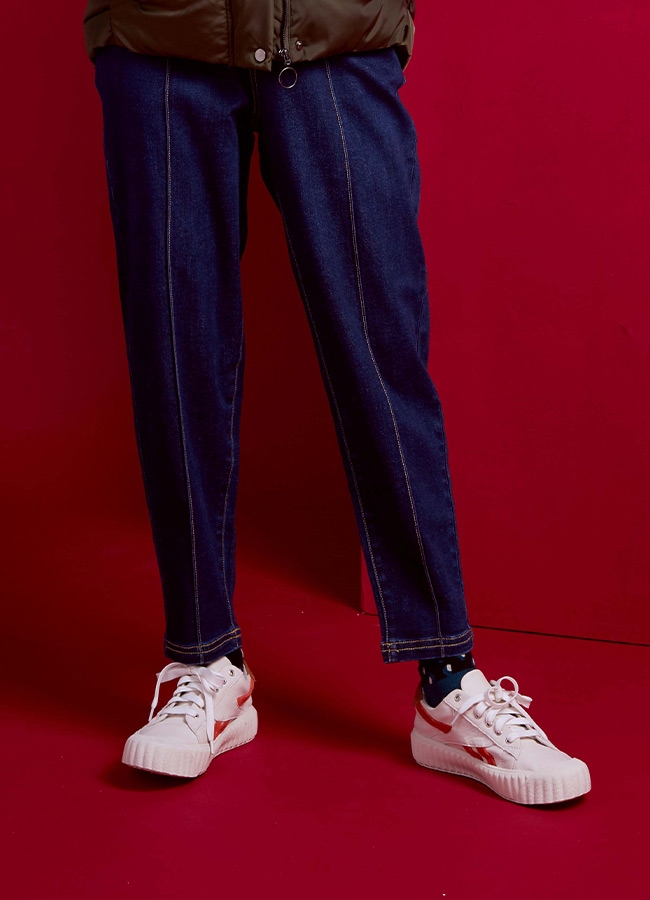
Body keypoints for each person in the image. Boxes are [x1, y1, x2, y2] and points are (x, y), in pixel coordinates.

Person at [83, 0, 590, 805]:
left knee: (381, 348)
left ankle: (447, 678)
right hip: (162, 32)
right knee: (175, 345)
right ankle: (204, 661)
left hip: (335, 30)